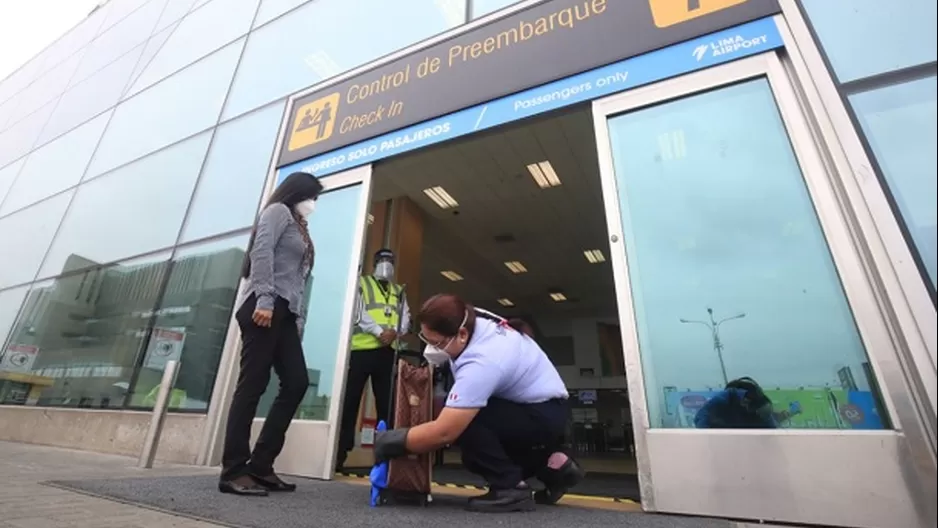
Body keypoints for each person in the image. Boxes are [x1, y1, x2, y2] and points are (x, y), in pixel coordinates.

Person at [374, 294, 584, 513]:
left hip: (541, 413)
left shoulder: (482, 362)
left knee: (467, 427)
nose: (431, 349)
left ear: (462, 335)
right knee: (477, 450)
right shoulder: (474, 318)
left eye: (436, 343)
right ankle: (555, 466)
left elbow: (445, 432)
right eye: (425, 339)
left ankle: (511, 488)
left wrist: (392, 442)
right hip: (542, 408)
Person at [218, 171, 323, 497]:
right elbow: (261, 251)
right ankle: (233, 470)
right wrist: (264, 298)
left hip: (285, 313)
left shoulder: (301, 227)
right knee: (252, 385)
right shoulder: (277, 212)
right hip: (264, 304)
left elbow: (299, 279)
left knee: (297, 382)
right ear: (298, 192)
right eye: (313, 196)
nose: (314, 204)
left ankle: (261, 465)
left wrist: (297, 321)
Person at [336, 248, 411, 471]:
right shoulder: (362, 284)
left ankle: (386, 456)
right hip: (361, 351)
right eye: (382, 260)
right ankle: (339, 452)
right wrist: (381, 332)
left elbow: (405, 318)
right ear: (374, 262)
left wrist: (395, 333)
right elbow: (359, 314)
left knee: (387, 404)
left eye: (390, 260)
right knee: (350, 402)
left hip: (387, 353)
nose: (386, 264)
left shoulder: (400, 291)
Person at [694, 376, 801, 429]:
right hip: (722, 432)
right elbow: (699, 418)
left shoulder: (762, 408)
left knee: (775, 417)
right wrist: (709, 437)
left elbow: (771, 429)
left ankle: (792, 411)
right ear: (745, 402)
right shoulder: (725, 398)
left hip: (746, 434)